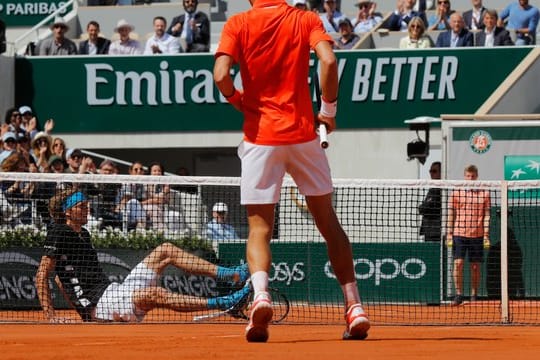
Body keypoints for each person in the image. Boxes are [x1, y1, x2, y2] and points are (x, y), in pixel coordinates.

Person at [214, 0, 370, 342]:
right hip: (303, 136)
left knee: (259, 228)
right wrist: (328, 111)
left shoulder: (238, 24)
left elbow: (221, 75)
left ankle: (261, 296)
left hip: (260, 139)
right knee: (328, 222)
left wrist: (238, 100)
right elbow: (328, 60)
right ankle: (354, 307)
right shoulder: (304, 19)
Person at [35, 189, 251, 323]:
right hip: (101, 304)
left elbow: (59, 280)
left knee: (166, 250)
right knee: (155, 294)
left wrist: (81, 312)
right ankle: (225, 302)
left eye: (87, 206)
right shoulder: (59, 232)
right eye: (81, 207)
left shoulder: (84, 233)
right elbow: (42, 275)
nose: (87, 210)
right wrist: (55, 316)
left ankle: (232, 276)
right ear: (67, 212)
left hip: (112, 292)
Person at [447, 165, 491, 305]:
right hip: (459, 233)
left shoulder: (485, 193)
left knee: (475, 267)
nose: (470, 178)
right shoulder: (456, 192)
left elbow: (487, 215)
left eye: (472, 176)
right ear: (464, 176)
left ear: (476, 176)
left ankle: (474, 295)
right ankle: (459, 294)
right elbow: (451, 213)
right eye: (467, 176)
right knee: (458, 263)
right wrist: (449, 232)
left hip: (477, 235)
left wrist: (486, 234)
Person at [418, 161, 441, 242]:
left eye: (434, 171)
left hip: (435, 232)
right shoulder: (433, 188)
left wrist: (423, 206)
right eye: (430, 171)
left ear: (441, 172)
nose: (431, 173)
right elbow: (423, 208)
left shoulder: (438, 189)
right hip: (430, 232)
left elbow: (424, 208)